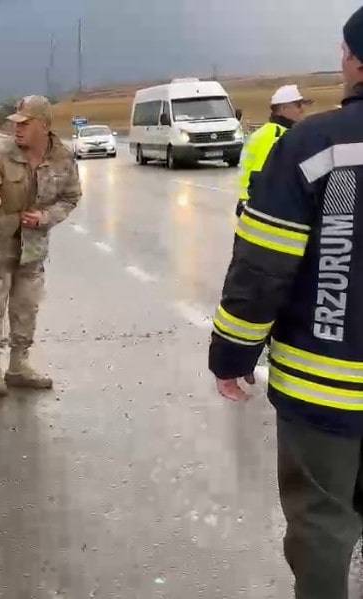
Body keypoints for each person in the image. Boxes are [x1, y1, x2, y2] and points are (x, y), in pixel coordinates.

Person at [209, 8, 363, 597]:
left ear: (353, 59)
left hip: (325, 386)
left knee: (324, 524)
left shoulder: (314, 145)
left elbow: (263, 268)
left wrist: (232, 354)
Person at [0, 95, 82, 397]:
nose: (16, 129)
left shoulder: (63, 158)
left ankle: (18, 366)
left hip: (32, 250)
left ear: (43, 126)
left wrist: (46, 217)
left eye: (24, 124)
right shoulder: (2, 153)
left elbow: (71, 197)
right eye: (15, 123)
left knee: (26, 308)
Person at [236, 84, 313, 216]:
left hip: (251, 204)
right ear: (283, 108)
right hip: (262, 206)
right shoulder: (276, 136)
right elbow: (270, 178)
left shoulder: (269, 132)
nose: (303, 110)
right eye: (298, 105)